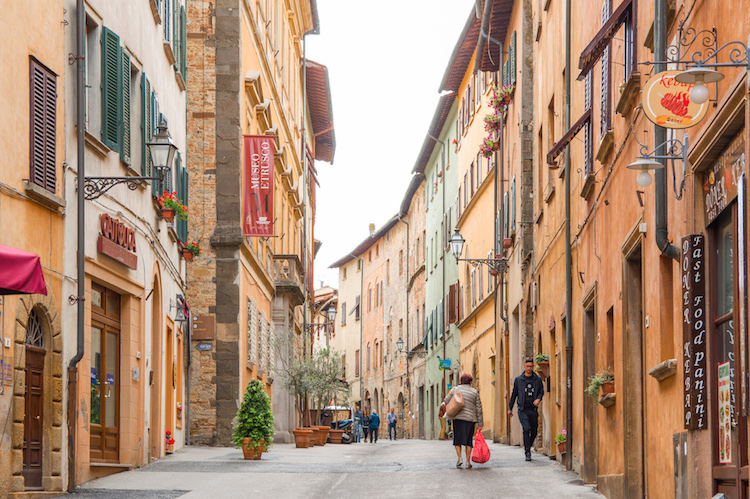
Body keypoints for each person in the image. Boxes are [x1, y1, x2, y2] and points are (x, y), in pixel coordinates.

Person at [440, 373, 484, 469]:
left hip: (458, 418)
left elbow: (446, 400)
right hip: (470, 419)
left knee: (457, 440)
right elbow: (478, 408)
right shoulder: (474, 392)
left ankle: (459, 458)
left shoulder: (455, 389)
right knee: (468, 441)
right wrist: (480, 423)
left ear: (461, 381)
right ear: (470, 382)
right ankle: (468, 462)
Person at [508, 357, 545, 461]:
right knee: (526, 429)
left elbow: (541, 391)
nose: (529, 368)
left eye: (531, 366)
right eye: (527, 366)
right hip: (522, 409)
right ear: (524, 366)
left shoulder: (537, 379)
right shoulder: (519, 380)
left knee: (534, 431)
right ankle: (527, 452)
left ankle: (528, 444)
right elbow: (514, 394)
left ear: (533, 366)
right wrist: (510, 408)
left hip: (533, 409)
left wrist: (538, 399)